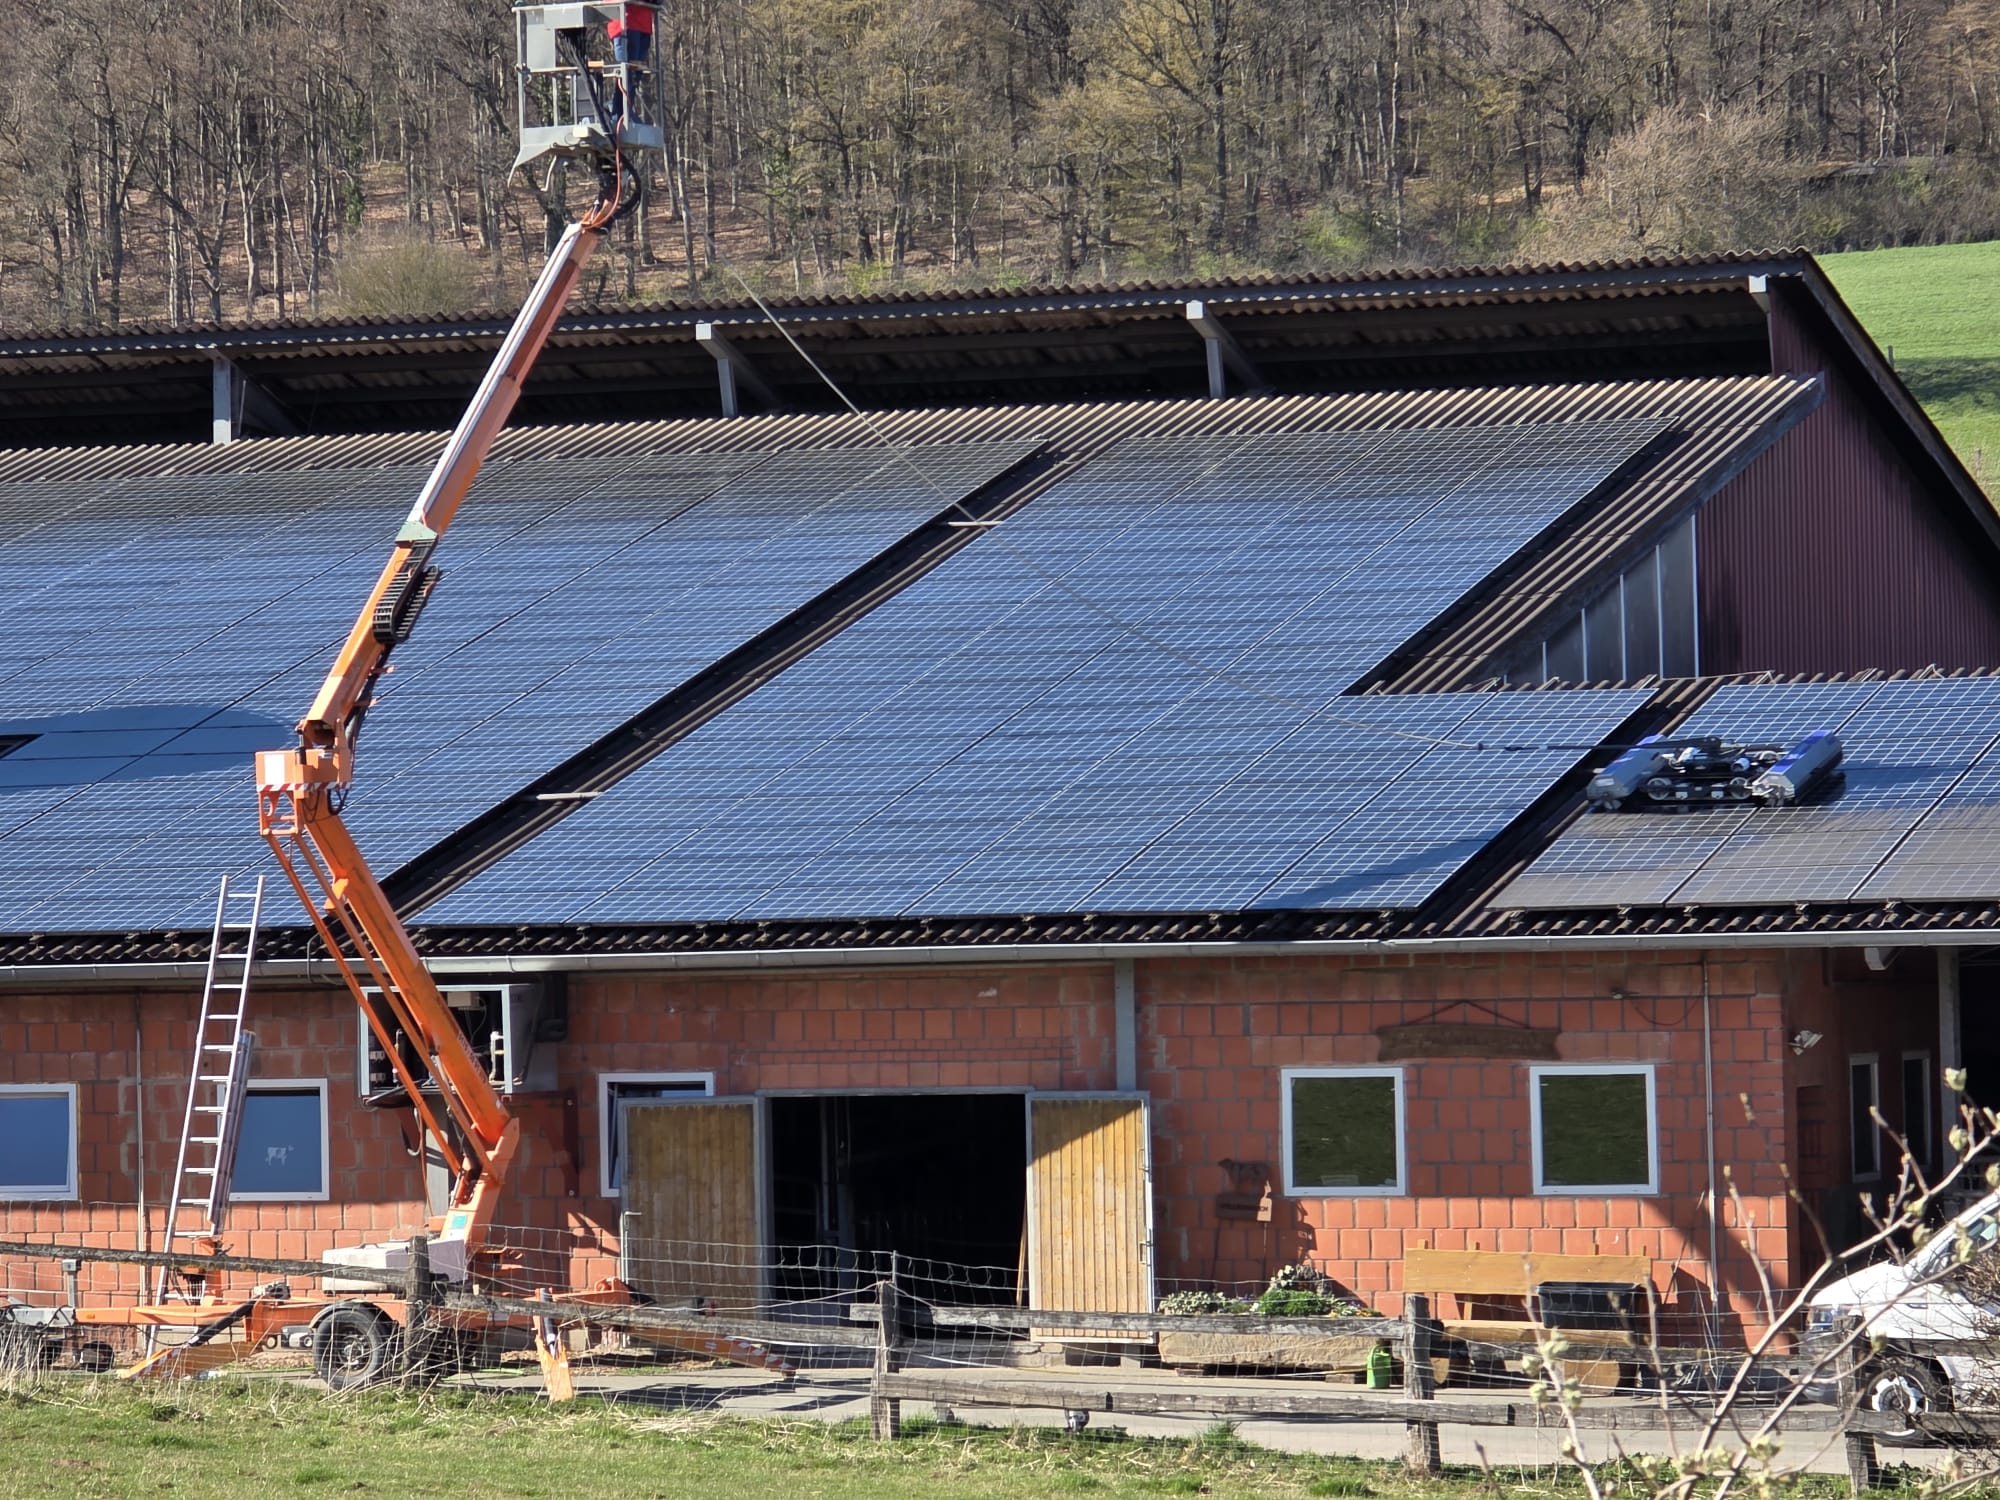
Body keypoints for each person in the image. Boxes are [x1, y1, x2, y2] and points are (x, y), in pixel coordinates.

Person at [605, 3, 655, 129]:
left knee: (635, 75)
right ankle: (618, 115)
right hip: (625, 23)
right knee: (626, 74)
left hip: (644, 24)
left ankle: (625, 112)